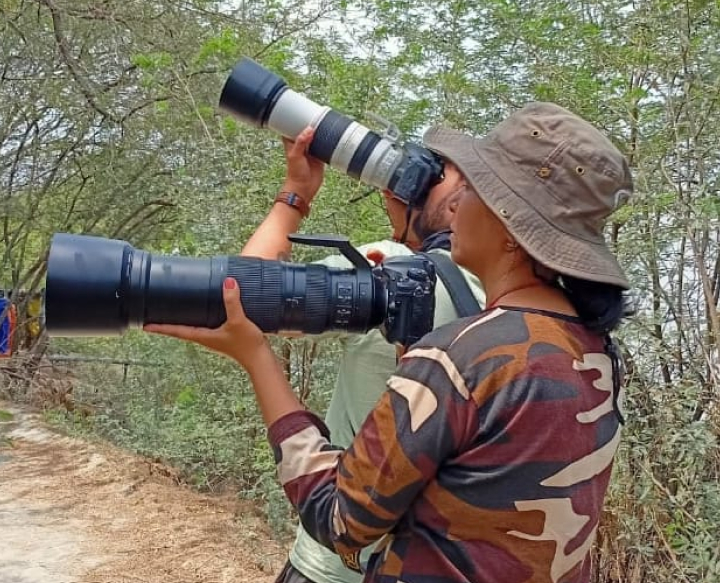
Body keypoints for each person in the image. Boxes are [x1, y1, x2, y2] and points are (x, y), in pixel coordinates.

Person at [146, 102, 633, 583]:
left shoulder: (459, 357)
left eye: (478, 189)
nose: (460, 205)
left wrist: (256, 357)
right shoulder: (595, 351)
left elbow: (340, 520)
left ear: (510, 229)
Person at [242, 127, 485, 583]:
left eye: (437, 173)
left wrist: (295, 194)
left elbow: (242, 296)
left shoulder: (389, 271)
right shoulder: (530, 303)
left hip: (336, 562)